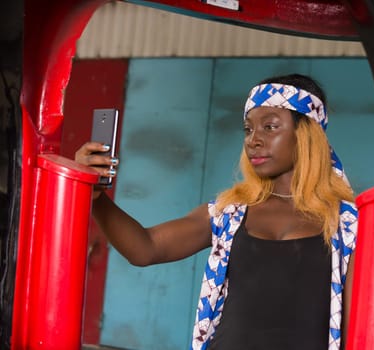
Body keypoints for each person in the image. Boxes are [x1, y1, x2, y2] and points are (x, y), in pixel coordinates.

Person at [75, 73, 358, 350]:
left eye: (270, 127)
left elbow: (361, 327)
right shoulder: (229, 213)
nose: (253, 140)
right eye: (248, 129)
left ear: (305, 135)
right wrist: (95, 196)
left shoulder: (347, 224)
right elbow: (145, 248)